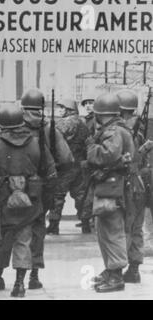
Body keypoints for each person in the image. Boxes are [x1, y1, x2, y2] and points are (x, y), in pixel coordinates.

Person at [0, 89, 73, 291]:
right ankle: (33, 276)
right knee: (36, 231)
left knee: (6, 230)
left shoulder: (13, 125)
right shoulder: (50, 129)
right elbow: (67, 159)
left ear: (23, 107)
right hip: (39, 189)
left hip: (11, 189)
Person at [0, 103, 56, 299]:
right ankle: (19, 286)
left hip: (0, 203)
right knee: (23, 242)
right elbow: (50, 174)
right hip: (29, 205)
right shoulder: (37, 143)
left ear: (1, 124)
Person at [88, 93, 134, 293]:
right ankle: (111, 269)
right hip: (110, 186)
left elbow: (107, 155)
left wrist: (91, 148)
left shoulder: (114, 131)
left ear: (100, 113)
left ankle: (116, 275)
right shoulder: (114, 129)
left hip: (113, 188)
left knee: (112, 231)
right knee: (104, 230)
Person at [47, 99, 91, 234]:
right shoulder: (83, 122)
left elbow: (53, 139)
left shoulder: (64, 123)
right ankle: (85, 224)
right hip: (79, 164)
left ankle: (54, 225)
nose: (59, 110)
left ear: (68, 109)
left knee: (58, 196)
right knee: (80, 196)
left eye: (61, 107)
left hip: (65, 165)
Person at [117, 89, 147, 283]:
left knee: (122, 228)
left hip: (126, 183)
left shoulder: (122, 132)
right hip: (140, 184)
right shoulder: (142, 129)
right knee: (136, 228)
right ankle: (134, 269)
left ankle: (116, 270)